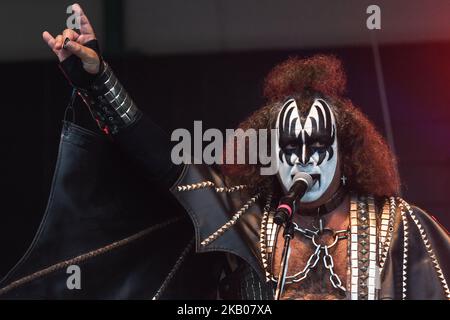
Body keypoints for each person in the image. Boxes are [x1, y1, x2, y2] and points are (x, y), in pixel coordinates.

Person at [35, 4, 449, 300]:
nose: (304, 158)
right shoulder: (243, 216)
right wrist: (96, 81)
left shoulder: (399, 225)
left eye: (319, 145)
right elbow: (162, 160)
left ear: (348, 156)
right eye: (290, 146)